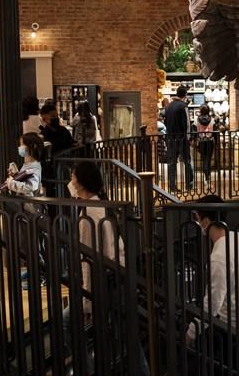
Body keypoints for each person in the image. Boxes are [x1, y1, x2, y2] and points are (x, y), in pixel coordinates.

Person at [64, 161, 149, 376]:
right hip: (117, 277)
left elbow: (88, 260)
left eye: (73, 177)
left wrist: (86, 301)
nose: (70, 181)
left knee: (67, 322)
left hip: (103, 283)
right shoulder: (102, 205)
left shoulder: (87, 216)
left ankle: (87, 369)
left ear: (81, 183)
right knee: (127, 336)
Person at [186, 195, 239, 373]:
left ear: (206, 222)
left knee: (232, 367)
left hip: (235, 325)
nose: (197, 223)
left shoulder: (219, 256)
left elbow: (213, 304)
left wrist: (191, 332)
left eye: (197, 218)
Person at [164, 86, 194, 191]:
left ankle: (172, 187)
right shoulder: (183, 106)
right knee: (187, 161)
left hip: (170, 138)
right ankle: (189, 185)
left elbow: (165, 122)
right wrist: (188, 138)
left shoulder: (169, 106)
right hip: (182, 139)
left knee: (172, 163)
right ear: (185, 94)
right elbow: (187, 124)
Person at [4, 132, 43, 197]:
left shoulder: (34, 168)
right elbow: (26, 179)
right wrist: (16, 174)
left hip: (28, 202)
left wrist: (10, 183)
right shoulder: (28, 164)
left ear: (34, 146)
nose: (20, 147)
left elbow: (30, 186)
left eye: (22, 144)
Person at [196, 104, 216, 185]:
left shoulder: (197, 120)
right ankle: (208, 177)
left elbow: (195, 130)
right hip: (209, 141)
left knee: (204, 159)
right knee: (208, 159)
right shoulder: (212, 119)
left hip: (201, 141)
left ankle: (206, 176)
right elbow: (214, 131)